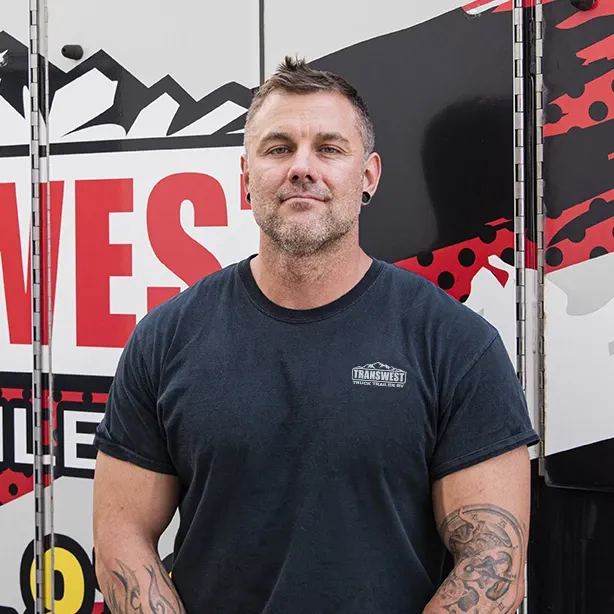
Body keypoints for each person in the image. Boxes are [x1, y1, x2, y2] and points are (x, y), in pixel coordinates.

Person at [92, 56, 539, 613]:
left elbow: (494, 565)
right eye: (279, 148)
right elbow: (121, 539)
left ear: (369, 175)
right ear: (246, 179)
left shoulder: (455, 345)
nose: (303, 168)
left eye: (329, 148)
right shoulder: (165, 339)